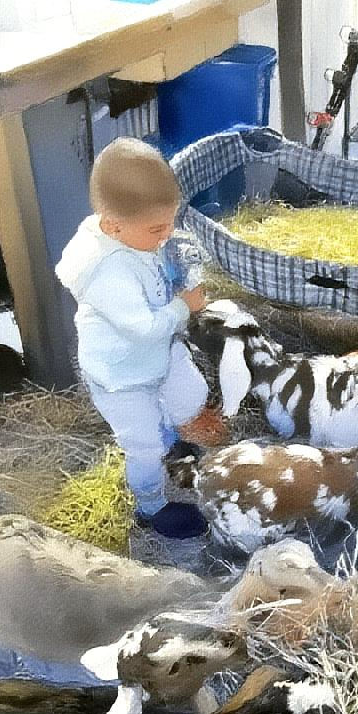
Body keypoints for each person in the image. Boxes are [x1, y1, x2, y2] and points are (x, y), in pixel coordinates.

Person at [56, 137, 226, 540]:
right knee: (143, 442)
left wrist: (173, 272)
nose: (167, 234)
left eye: (169, 223)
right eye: (158, 228)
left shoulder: (131, 235)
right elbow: (142, 327)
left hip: (154, 355)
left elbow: (153, 266)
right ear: (113, 226)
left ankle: (175, 439)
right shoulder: (107, 272)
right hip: (122, 376)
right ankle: (151, 507)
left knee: (187, 391)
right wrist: (184, 306)